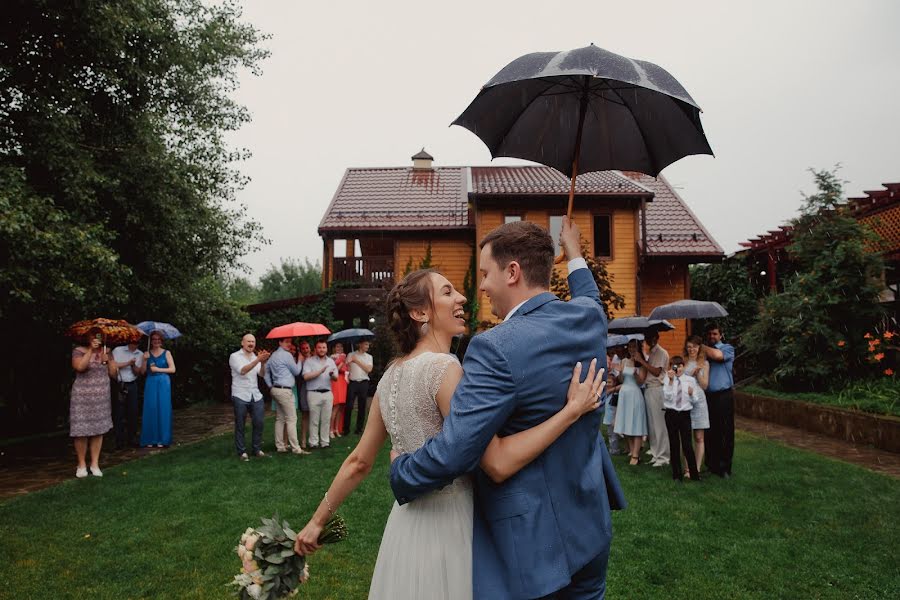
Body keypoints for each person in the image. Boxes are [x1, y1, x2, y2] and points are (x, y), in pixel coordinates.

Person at [345, 218, 622, 598]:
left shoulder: (495, 347)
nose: (482, 287)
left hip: (532, 543)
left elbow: (455, 451)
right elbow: (589, 294)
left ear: (512, 272)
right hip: (590, 524)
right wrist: (573, 252)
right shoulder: (590, 318)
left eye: (485, 273)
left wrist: (401, 471)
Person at [70, 331, 118, 477]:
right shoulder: (78, 351)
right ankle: (82, 464)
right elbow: (79, 367)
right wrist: (91, 351)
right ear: (87, 337)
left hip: (101, 397)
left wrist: (108, 360)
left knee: (99, 430)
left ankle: (95, 464)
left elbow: (114, 374)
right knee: (81, 430)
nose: (97, 338)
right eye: (94, 336)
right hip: (82, 397)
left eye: (100, 336)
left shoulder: (107, 351)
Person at [229, 334, 270, 461]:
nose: (251, 344)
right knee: (240, 424)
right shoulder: (235, 356)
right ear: (242, 343)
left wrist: (263, 363)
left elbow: (262, 375)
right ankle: (242, 452)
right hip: (240, 394)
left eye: (253, 341)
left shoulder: (254, 357)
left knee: (259, 422)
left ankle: (257, 449)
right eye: (248, 341)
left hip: (255, 394)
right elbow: (243, 370)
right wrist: (258, 360)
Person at [633, 330, 670, 467]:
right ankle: (656, 453)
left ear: (657, 337)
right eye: (648, 337)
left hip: (657, 389)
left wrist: (641, 361)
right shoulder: (653, 352)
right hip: (649, 389)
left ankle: (663, 457)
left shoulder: (661, 352)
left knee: (659, 425)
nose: (650, 340)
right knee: (652, 426)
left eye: (652, 337)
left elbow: (657, 371)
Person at [662, 356, 702, 482]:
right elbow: (667, 397)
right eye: (674, 366)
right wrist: (670, 381)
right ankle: (676, 475)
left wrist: (691, 394)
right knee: (674, 444)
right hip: (671, 414)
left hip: (684, 415)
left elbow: (695, 400)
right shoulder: (667, 379)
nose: (677, 369)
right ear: (671, 367)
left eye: (679, 366)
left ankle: (694, 474)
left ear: (683, 366)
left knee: (687, 445)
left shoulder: (690, 380)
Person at [704, 323, 736, 478]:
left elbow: (718, 356)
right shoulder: (704, 353)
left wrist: (700, 345)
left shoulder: (727, 348)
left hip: (723, 396)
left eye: (715, 334)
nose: (712, 337)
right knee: (709, 432)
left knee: (725, 431)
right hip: (708, 396)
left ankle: (725, 468)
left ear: (721, 335)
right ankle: (711, 464)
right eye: (710, 334)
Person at [265, 337, 304, 454]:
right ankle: (296, 448)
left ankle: (280, 446)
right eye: (286, 342)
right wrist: (300, 360)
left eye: (290, 342)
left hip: (276, 389)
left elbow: (266, 373)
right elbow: (297, 371)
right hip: (285, 390)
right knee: (292, 419)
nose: (289, 344)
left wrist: (270, 386)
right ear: (280, 342)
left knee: (280, 419)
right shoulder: (287, 355)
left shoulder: (272, 356)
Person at [614, 338, 649, 466]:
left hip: (635, 393)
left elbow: (641, 382)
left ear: (638, 348)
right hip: (624, 393)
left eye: (634, 347)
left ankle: (635, 455)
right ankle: (631, 449)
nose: (631, 349)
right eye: (629, 347)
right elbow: (622, 380)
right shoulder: (624, 361)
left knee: (636, 423)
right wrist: (620, 372)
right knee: (626, 422)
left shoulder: (642, 363)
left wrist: (635, 371)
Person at [139, 331, 175, 448]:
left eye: (159, 339)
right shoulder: (146, 354)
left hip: (163, 382)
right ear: (151, 340)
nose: (156, 341)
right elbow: (142, 372)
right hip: (151, 382)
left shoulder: (167, 353)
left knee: (163, 408)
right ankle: (150, 438)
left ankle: (163, 439)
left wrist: (158, 369)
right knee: (151, 408)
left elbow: (172, 369)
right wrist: (144, 360)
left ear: (162, 341)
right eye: (154, 339)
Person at [302, 341, 338, 449]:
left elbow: (336, 378)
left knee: (326, 419)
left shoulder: (331, 361)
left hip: (327, 393)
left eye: (324, 347)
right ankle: (313, 442)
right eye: (319, 347)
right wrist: (320, 371)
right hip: (314, 393)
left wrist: (332, 375)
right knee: (314, 419)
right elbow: (306, 377)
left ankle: (325, 442)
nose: (322, 349)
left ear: (326, 349)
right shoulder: (309, 361)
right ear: (316, 349)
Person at [683, 335, 710, 476]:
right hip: (685, 401)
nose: (691, 349)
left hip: (699, 401)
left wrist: (698, 373)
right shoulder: (684, 361)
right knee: (687, 437)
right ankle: (687, 468)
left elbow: (705, 385)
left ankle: (696, 469)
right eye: (689, 347)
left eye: (694, 346)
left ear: (699, 347)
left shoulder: (704, 363)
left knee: (699, 437)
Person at [111, 339, 143, 449]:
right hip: (119, 384)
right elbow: (113, 365)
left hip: (132, 384)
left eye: (137, 341)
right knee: (119, 413)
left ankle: (132, 438)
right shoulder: (118, 350)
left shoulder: (140, 354)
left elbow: (137, 372)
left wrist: (133, 366)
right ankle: (119, 440)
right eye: (133, 341)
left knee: (133, 412)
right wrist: (128, 363)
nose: (135, 343)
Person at [344, 339, 373, 434]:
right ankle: (346, 429)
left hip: (364, 383)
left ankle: (359, 429)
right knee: (349, 406)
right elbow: (346, 366)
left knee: (362, 406)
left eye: (368, 345)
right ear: (360, 345)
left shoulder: (369, 357)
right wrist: (349, 361)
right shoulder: (351, 354)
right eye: (366, 344)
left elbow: (368, 369)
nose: (367, 347)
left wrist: (356, 361)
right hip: (353, 382)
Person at [602, 344, 625, 455]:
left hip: (614, 412)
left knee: (614, 431)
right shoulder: (605, 390)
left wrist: (613, 388)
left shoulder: (614, 391)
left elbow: (621, 385)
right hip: (608, 414)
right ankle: (613, 448)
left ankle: (615, 449)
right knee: (611, 432)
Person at [329, 342, 348, 438]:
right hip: (336, 382)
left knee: (341, 407)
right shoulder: (331, 358)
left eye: (341, 346)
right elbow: (334, 370)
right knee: (335, 407)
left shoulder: (343, 357)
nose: (339, 348)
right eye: (337, 346)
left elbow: (346, 369)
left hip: (343, 382)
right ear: (334, 348)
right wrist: (341, 363)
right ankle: (331, 429)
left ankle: (337, 428)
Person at [296, 341, 312, 452]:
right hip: (304, 389)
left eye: (307, 348)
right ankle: (303, 440)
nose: (305, 350)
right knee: (305, 415)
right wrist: (300, 361)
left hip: (315, 389)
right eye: (303, 348)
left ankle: (313, 439)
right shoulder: (299, 361)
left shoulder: (314, 359)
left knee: (314, 415)